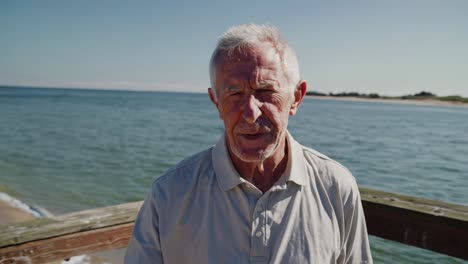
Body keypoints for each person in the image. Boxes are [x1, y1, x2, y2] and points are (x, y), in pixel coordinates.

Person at [124, 24, 372, 264]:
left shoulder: (335, 187)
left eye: (265, 91)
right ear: (216, 101)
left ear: (296, 98)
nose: (251, 113)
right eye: (234, 93)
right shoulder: (170, 194)